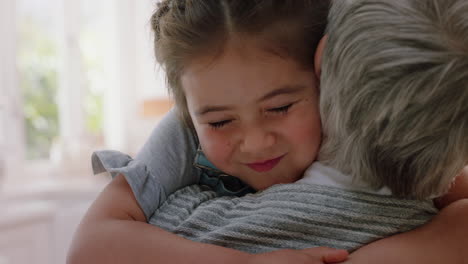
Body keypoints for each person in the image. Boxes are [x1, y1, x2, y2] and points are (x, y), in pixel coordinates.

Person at [67, 0, 468, 263]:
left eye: (279, 108)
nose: (256, 141)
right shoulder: (184, 132)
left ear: (324, 75)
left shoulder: (348, 125)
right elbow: (91, 246)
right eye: (220, 122)